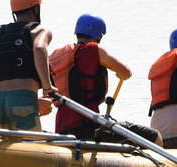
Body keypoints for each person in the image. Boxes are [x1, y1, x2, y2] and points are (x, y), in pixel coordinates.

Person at [52, 13, 163, 145]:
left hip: (62, 128)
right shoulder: (93, 49)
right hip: (87, 126)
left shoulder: (58, 56)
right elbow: (126, 72)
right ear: (98, 36)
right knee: (154, 136)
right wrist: (120, 74)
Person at [0, 0, 57, 130]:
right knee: (31, 148)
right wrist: (47, 87)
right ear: (36, 8)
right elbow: (39, 49)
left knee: (0, 150)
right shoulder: (39, 31)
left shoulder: (0, 33)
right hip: (23, 99)